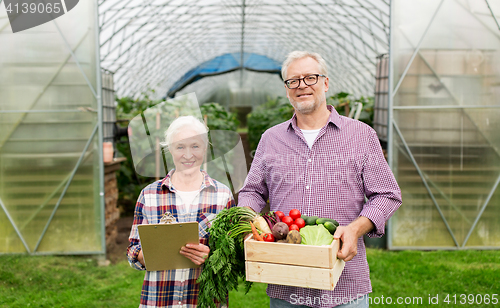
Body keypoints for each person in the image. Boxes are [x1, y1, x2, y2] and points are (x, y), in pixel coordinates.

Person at [237, 51, 402, 308]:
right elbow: (253, 191)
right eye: (294, 81)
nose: (302, 85)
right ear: (287, 89)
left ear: (325, 83)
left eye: (310, 77)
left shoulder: (360, 135)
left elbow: (387, 194)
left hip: (345, 281)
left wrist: (355, 229)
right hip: (287, 283)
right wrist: (249, 220)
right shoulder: (271, 138)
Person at [127, 115, 235, 308]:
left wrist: (212, 257)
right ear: (169, 149)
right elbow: (132, 251)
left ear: (205, 148)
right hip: (159, 300)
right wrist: (148, 254)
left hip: (205, 301)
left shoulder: (222, 195)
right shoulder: (149, 195)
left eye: (195, 146)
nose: (188, 155)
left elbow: (234, 257)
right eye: (180, 147)